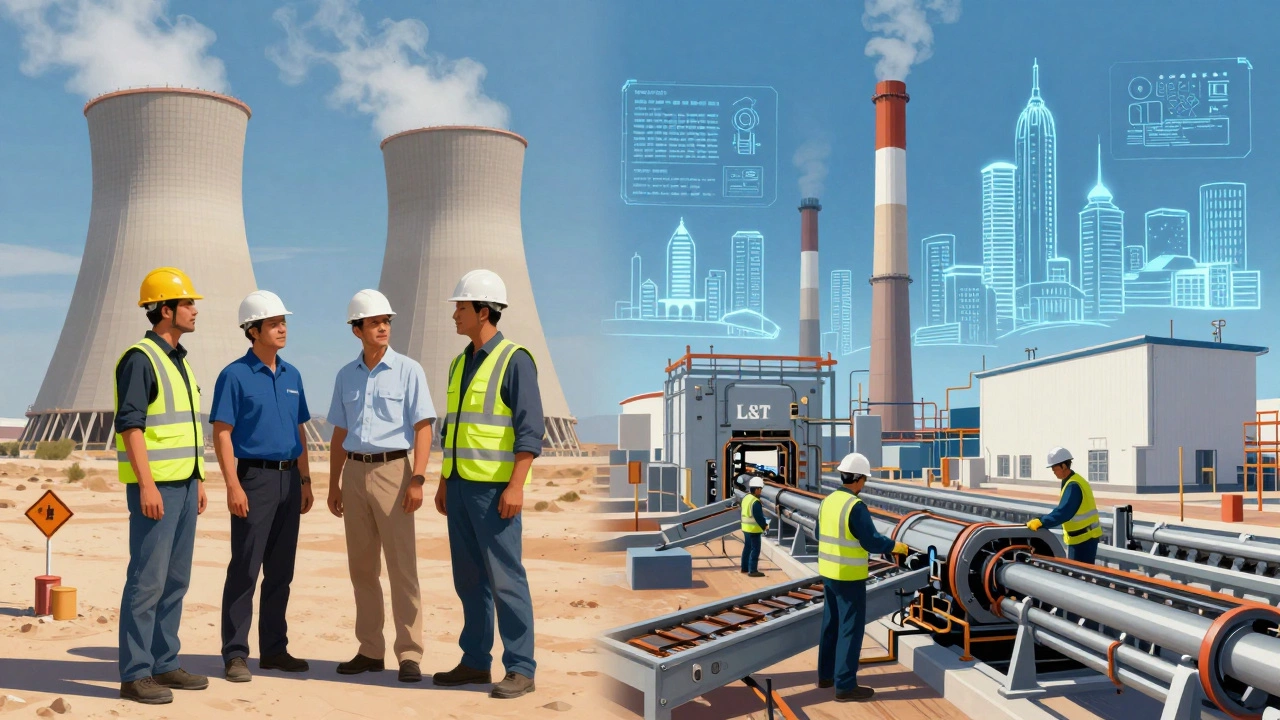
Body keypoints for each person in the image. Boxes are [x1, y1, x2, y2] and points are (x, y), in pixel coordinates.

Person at [431, 269, 543, 700]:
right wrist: (444, 480)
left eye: (460, 307)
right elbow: (452, 429)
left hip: (494, 492)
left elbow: (529, 431)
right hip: (459, 486)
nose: (454, 315)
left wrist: (516, 487)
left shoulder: (515, 359)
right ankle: (476, 661)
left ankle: (520, 667)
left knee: (506, 578)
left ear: (483, 311)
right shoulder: (460, 362)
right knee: (469, 580)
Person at [326, 289, 435, 683]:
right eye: (374, 322)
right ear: (357, 329)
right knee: (362, 568)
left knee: (402, 567)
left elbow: (423, 427)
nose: (383, 327)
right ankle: (370, 650)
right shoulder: (344, 376)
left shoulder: (409, 370)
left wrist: (418, 478)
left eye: (386, 321)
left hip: (394, 471)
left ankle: (409, 653)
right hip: (354, 473)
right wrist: (334, 483)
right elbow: (340, 432)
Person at [114, 267, 210, 705]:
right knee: (147, 581)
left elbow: (186, 428)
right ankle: (135, 674)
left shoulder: (180, 360)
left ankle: (165, 662)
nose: (194, 310)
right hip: (158, 490)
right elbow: (131, 427)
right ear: (165, 310)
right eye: (188, 303)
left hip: (185, 486)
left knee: (176, 579)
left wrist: (199, 479)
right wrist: (148, 485)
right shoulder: (141, 359)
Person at [211, 290, 314, 683]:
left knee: (281, 571)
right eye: (273, 323)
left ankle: (274, 650)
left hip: (290, 479)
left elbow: (299, 429)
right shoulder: (234, 375)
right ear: (253, 330)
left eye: (283, 322)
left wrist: (305, 479)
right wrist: (233, 485)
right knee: (245, 568)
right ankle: (235, 653)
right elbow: (223, 432)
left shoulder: (294, 375)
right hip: (254, 479)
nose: (282, 328)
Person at [816, 452, 909, 702]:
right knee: (850, 629)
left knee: (831, 624)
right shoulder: (855, 506)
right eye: (864, 479)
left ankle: (826, 676)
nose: (864, 484)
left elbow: (818, 533)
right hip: (849, 576)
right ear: (857, 479)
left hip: (828, 572)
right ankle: (845, 686)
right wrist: (894, 546)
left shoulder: (828, 502)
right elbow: (870, 541)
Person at [1026, 447, 1103, 564]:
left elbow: (1064, 512)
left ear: (1063, 466)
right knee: (1078, 576)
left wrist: (1042, 522)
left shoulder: (1073, 485)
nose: (1053, 471)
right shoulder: (1070, 480)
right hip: (1080, 537)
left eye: (1054, 468)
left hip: (1084, 539)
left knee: (1079, 577)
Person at [740, 476, 769, 576]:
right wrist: (765, 525)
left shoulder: (746, 498)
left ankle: (744, 567)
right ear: (756, 489)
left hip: (745, 528)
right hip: (754, 530)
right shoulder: (755, 502)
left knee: (747, 548)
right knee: (755, 550)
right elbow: (758, 517)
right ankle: (752, 570)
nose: (760, 491)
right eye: (760, 489)